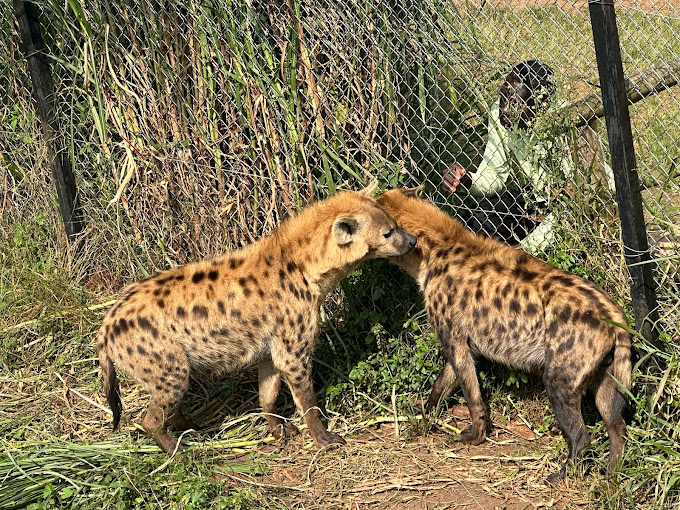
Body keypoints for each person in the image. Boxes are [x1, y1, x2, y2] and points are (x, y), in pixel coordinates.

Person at [443, 60, 593, 251]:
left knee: (533, 251)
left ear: (541, 106)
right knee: (478, 220)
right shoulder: (500, 114)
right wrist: (466, 180)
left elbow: (571, 199)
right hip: (538, 196)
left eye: (514, 104)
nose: (503, 109)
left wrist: (526, 249)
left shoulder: (566, 119)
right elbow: (494, 173)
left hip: (579, 201)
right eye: (503, 97)